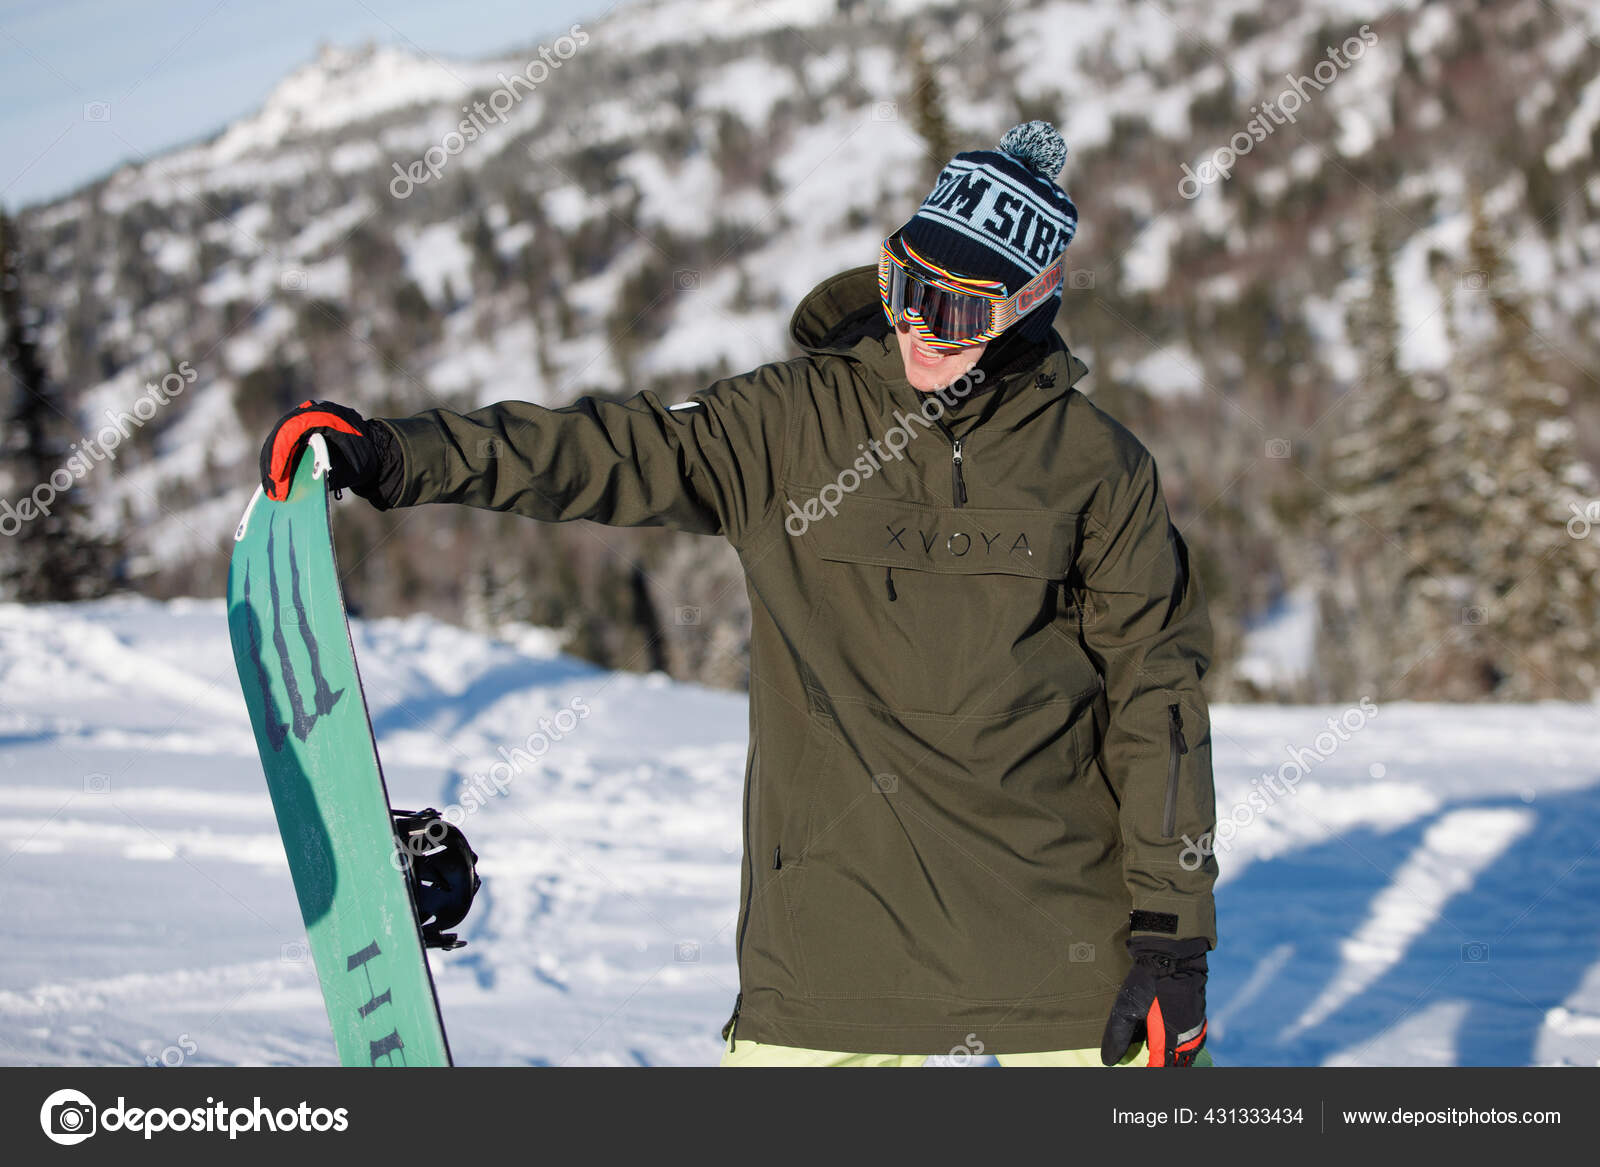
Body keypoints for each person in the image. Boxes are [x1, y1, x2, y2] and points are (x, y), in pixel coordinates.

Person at [259, 121, 1219, 1068]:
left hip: (1057, 948)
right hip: (830, 952)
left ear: (1034, 303)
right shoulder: (791, 425)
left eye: (961, 308)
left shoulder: (1098, 467)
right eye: (907, 286)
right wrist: (392, 455)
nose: (922, 322)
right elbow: (608, 451)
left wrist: (1173, 935)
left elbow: (1157, 703)